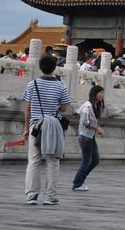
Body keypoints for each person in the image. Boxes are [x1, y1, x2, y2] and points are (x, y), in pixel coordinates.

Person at [20, 54, 71, 206]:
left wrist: (25, 128)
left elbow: (27, 109)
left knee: (34, 161)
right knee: (53, 162)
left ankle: (31, 195)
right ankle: (50, 196)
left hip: (36, 126)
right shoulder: (61, 86)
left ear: (40, 67)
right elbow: (64, 107)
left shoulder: (32, 84)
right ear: (54, 68)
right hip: (53, 127)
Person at [71, 85, 105, 192]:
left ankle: (81, 180)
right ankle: (77, 183)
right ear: (95, 94)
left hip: (90, 136)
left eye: (103, 93)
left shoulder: (95, 106)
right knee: (87, 161)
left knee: (95, 160)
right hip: (85, 137)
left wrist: (96, 129)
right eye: (101, 93)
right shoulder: (87, 106)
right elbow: (85, 122)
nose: (102, 95)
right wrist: (97, 129)